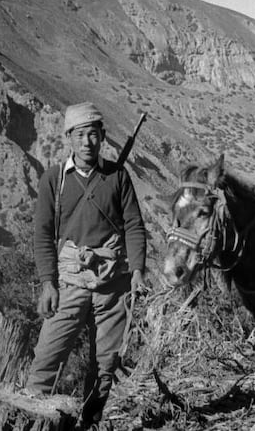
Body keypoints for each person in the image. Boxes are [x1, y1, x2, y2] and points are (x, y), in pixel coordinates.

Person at [26, 102, 147, 428]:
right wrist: (48, 282)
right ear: (69, 138)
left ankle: (90, 422)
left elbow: (134, 225)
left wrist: (137, 271)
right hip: (70, 281)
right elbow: (42, 233)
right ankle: (30, 418)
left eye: (93, 134)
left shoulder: (118, 177)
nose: (87, 142)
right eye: (80, 135)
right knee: (48, 355)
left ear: (102, 137)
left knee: (105, 363)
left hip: (113, 283)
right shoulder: (54, 180)